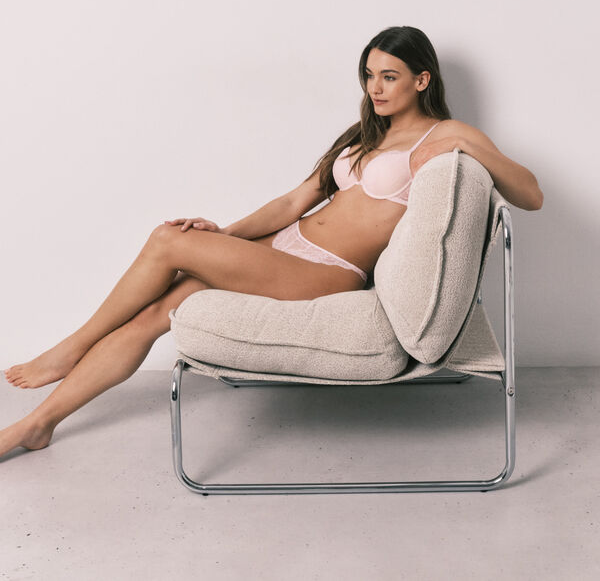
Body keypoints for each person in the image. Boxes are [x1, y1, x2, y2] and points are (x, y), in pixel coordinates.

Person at [0, 25, 543, 458]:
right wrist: (224, 235)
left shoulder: (445, 134)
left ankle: (70, 347)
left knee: (165, 241)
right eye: (369, 76)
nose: (375, 88)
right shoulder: (365, 135)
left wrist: (469, 149)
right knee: (155, 312)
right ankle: (39, 425)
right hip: (283, 247)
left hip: (327, 273)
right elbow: (293, 202)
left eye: (389, 76)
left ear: (422, 80)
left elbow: (531, 194)